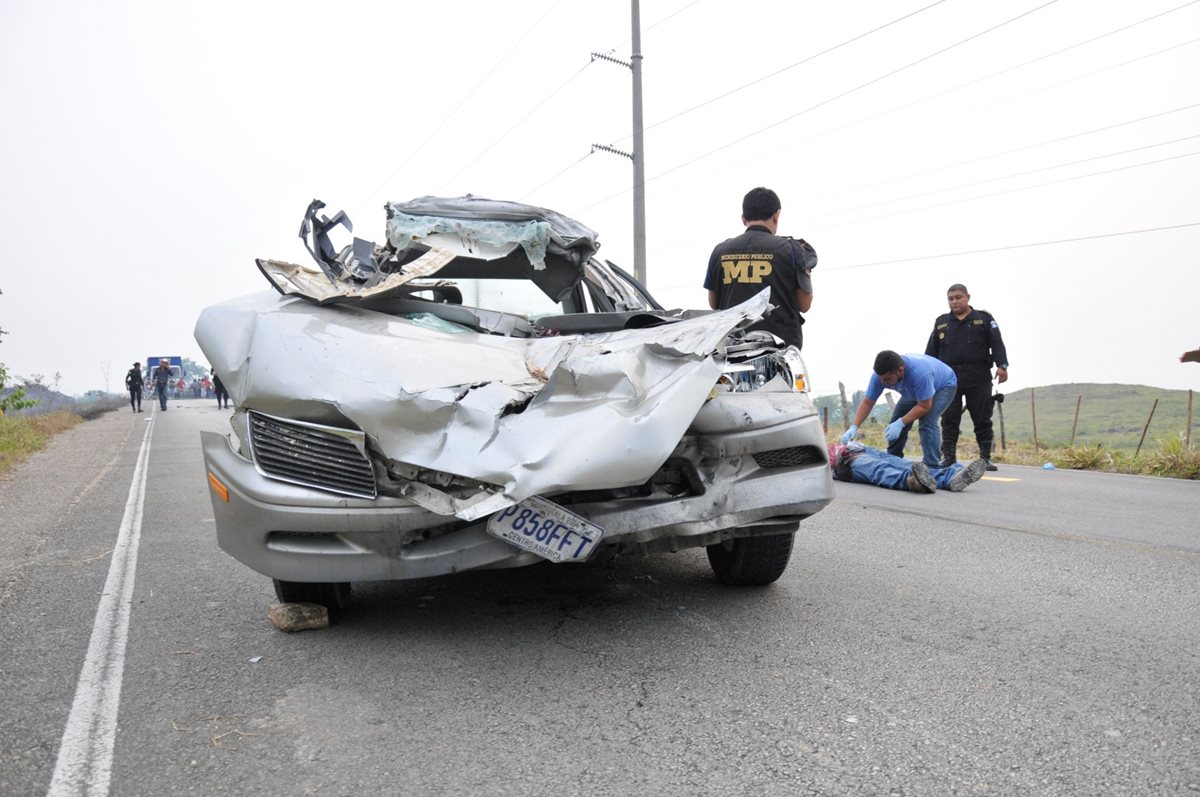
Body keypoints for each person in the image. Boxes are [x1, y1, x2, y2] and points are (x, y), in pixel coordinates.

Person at [704, 186, 817, 350]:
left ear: (743, 219)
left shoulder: (720, 251)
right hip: (779, 353)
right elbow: (804, 305)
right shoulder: (792, 250)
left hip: (731, 354)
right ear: (776, 216)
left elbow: (713, 303)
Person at [924, 283, 1009, 471]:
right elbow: (931, 353)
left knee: (982, 418)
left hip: (978, 376)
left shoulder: (983, 319)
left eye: (958, 297)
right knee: (949, 419)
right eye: (950, 298)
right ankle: (949, 458)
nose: (954, 302)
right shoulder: (941, 322)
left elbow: (997, 343)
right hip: (948, 379)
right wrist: (928, 376)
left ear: (968, 297)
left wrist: (1002, 366)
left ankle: (985, 458)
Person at [841, 350, 958, 467]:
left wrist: (902, 423)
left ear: (900, 371)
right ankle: (893, 459)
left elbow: (924, 406)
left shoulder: (920, 374)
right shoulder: (879, 377)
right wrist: (854, 426)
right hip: (915, 390)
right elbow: (867, 402)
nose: (883, 382)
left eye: (887, 379)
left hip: (943, 385)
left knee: (927, 421)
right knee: (896, 419)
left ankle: (931, 466)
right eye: (881, 378)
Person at [828, 441, 986, 493]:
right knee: (879, 469)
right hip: (843, 463)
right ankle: (913, 482)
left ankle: (949, 478)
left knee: (907, 464)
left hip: (858, 448)